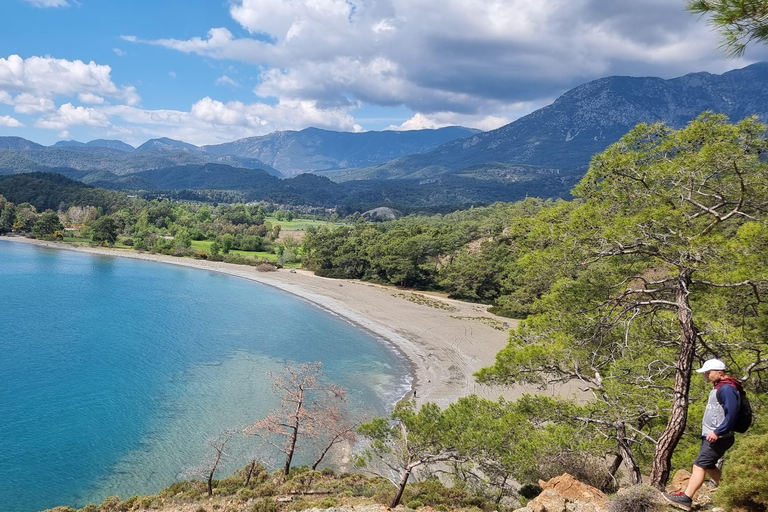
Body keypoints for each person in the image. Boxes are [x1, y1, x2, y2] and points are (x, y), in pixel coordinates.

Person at [662, 358, 743, 511]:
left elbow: (731, 414)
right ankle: (734, 494)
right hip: (713, 435)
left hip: (718, 436)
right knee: (709, 465)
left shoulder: (727, 388)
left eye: (708, 372)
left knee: (699, 465)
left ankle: (685, 499)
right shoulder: (720, 386)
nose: (706, 375)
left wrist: (718, 432)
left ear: (720, 372)